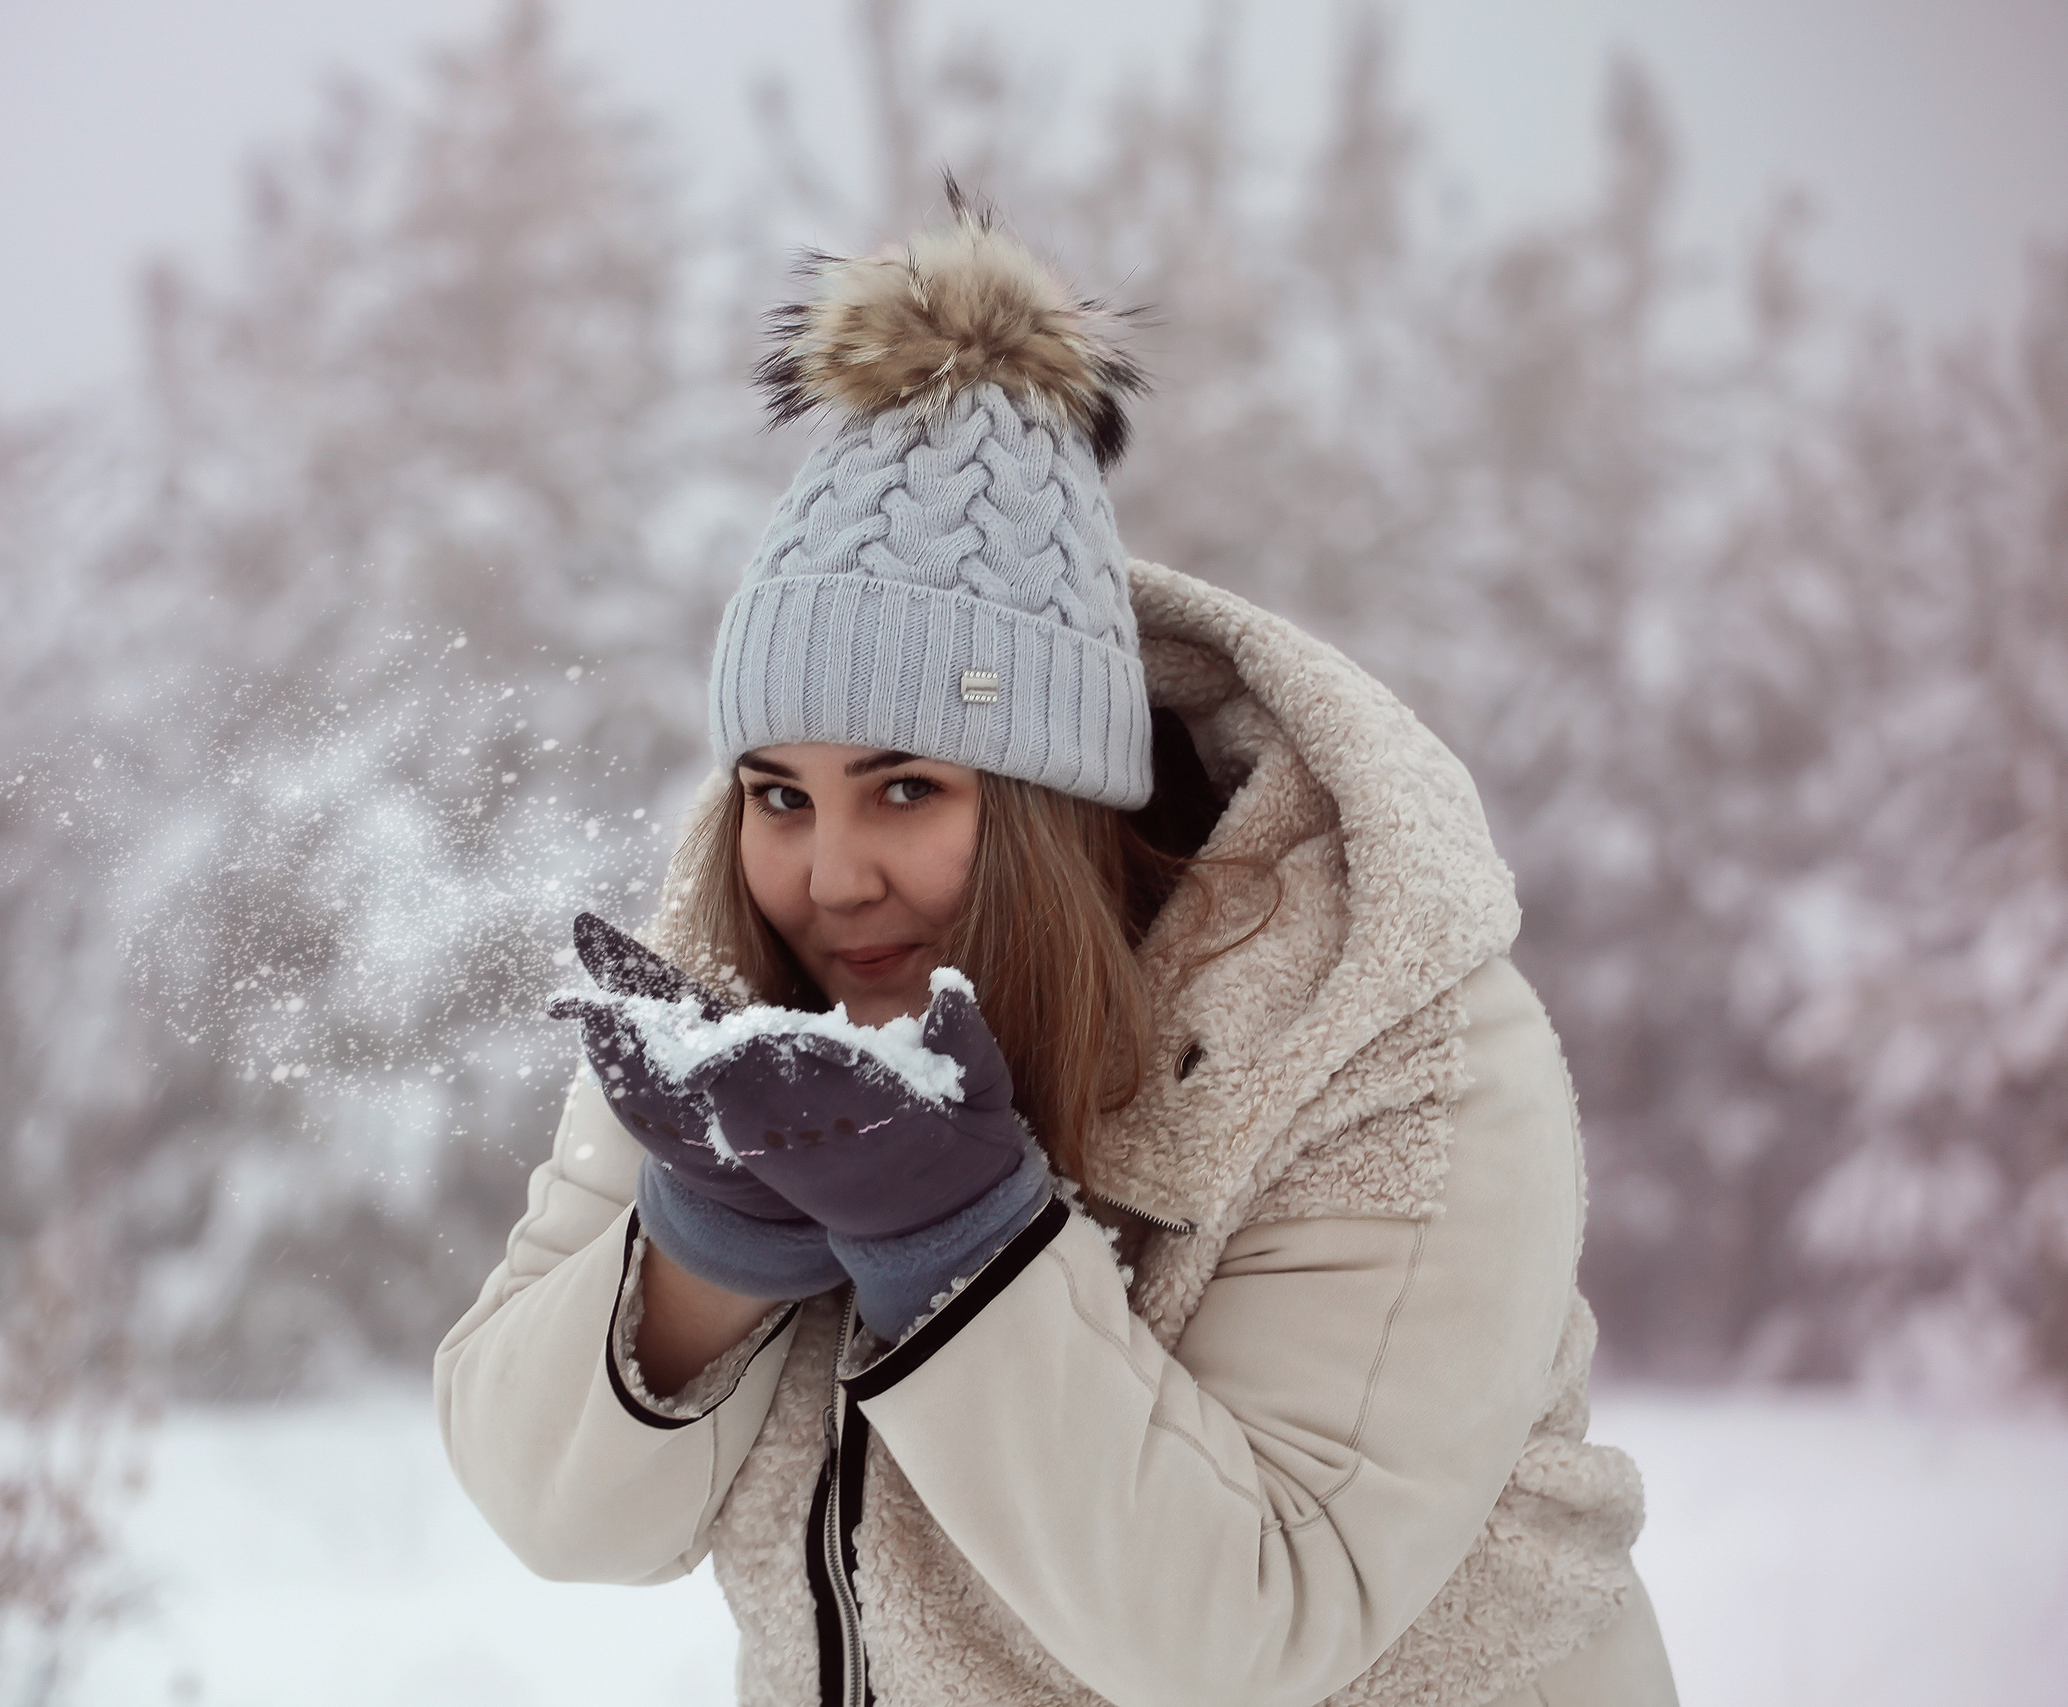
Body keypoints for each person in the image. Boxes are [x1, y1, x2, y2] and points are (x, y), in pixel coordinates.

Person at [435, 189, 1680, 1707]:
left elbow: (1249, 1628)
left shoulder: (1387, 1055)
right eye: (778, 793)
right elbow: (551, 1511)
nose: (829, 875)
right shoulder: (744, 1020)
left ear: (1051, 803)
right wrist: (703, 1246)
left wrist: (960, 1255)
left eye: (907, 788)